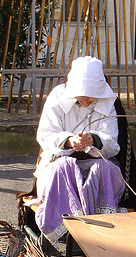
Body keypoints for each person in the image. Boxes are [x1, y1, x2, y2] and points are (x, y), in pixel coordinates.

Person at [34, 56, 126, 246]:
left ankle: (99, 231)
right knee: (65, 167)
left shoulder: (108, 102)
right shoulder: (57, 98)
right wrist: (68, 141)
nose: (85, 98)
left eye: (91, 93)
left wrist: (94, 139)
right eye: (81, 93)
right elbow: (45, 135)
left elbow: (113, 143)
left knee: (102, 169)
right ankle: (69, 235)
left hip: (94, 161)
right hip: (58, 161)